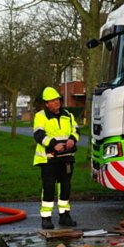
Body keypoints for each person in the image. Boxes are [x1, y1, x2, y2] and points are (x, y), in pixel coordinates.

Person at [33, 87, 79, 229]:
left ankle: (64, 215)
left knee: (65, 186)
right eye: (52, 100)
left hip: (66, 157)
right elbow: (39, 135)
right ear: (46, 103)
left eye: (57, 99)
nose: (56, 102)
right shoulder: (41, 116)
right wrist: (54, 144)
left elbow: (76, 130)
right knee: (49, 187)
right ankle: (46, 218)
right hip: (49, 158)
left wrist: (72, 139)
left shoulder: (68, 115)